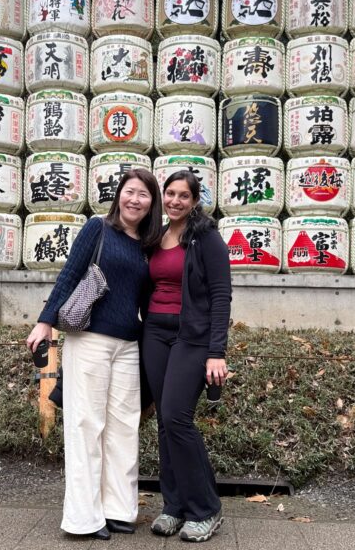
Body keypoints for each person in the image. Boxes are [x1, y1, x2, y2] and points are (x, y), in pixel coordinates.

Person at [26, 169, 162, 540]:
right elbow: (70, 275)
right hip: (89, 340)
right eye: (129, 192)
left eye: (144, 194)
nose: (135, 199)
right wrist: (45, 323)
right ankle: (84, 518)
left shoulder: (149, 243)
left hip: (128, 345)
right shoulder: (97, 228)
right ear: (119, 195)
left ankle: (119, 509)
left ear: (153, 203)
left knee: (123, 427)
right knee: (86, 426)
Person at [141, 170, 231, 543]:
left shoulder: (206, 237)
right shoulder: (156, 235)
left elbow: (221, 295)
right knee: (164, 421)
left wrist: (216, 352)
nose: (176, 201)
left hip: (190, 337)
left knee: (178, 417)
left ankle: (206, 508)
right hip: (154, 334)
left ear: (195, 201)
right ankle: (174, 506)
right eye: (170, 194)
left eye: (184, 196)